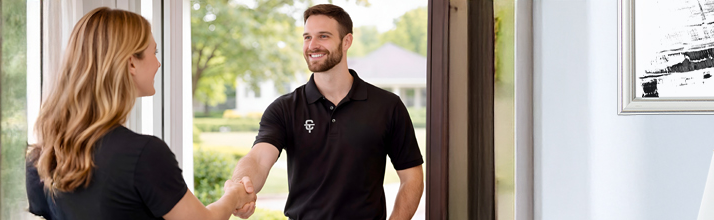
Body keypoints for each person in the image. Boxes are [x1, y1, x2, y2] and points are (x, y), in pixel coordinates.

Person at [25, 7, 254, 220]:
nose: (158, 63)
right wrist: (233, 195)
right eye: (153, 52)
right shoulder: (143, 155)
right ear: (131, 63)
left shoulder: (43, 156)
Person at [228, 4, 425, 220]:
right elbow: (258, 158)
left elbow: (411, 177)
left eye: (323, 36)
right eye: (307, 37)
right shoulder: (284, 108)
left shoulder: (388, 106)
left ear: (347, 41)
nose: (312, 45)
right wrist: (241, 184)